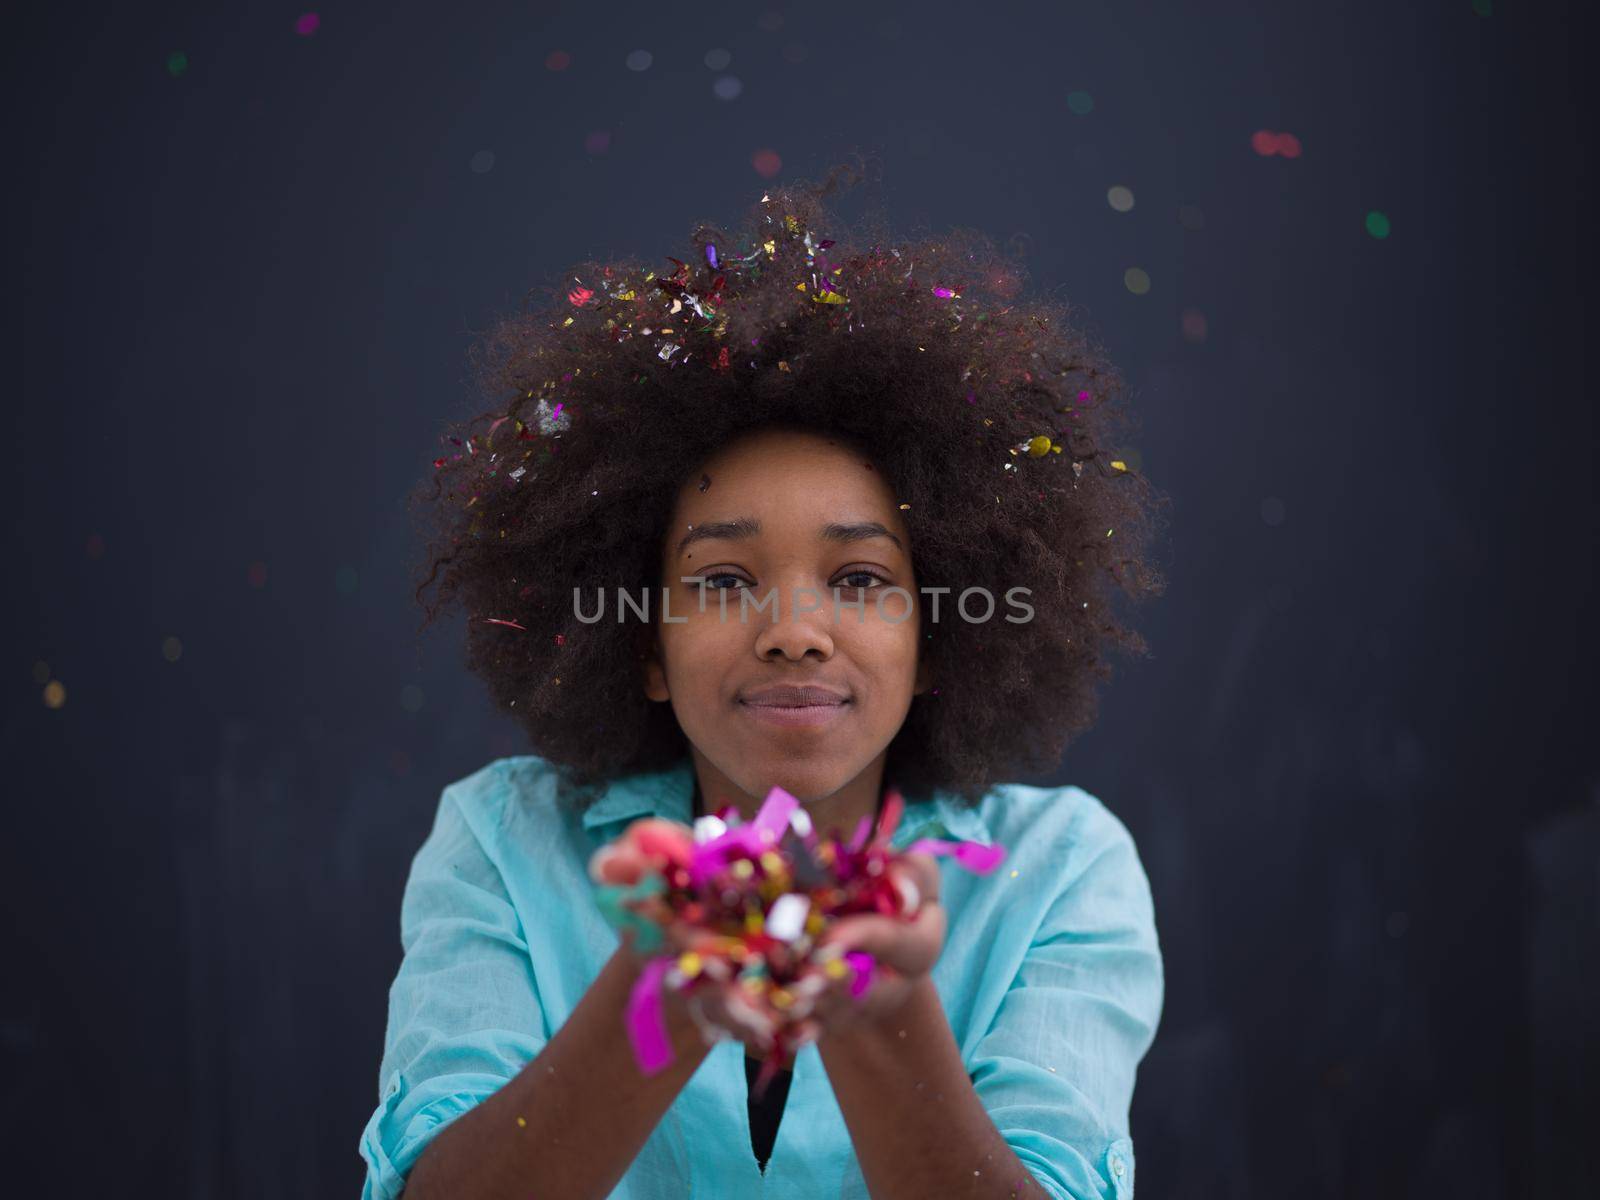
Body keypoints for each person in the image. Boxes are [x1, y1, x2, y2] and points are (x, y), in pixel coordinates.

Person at [358, 161, 1169, 1199]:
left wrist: (883, 1014)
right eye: (725, 579)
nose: (793, 632)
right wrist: (658, 994)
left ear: (938, 638)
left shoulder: (1058, 872)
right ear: (643, 644)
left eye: (863, 578)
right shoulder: (502, 846)